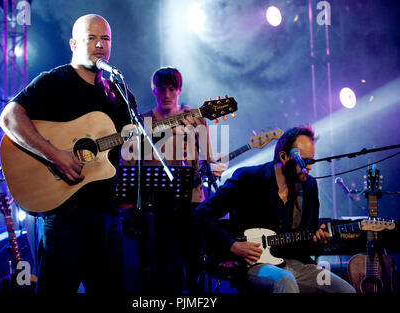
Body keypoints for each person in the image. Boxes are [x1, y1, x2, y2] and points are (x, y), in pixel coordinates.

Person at [0, 14, 137, 293]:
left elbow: (132, 146)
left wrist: (177, 125)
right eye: (92, 38)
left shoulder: (119, 93)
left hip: (108, 216)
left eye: (106, 39)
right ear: (74, 43)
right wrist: (54, 155)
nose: (100, 44)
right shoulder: (54, 81)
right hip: (64, 217)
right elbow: (9, 118)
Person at [192, 126, 356, 293]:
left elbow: (308, 241)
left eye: (311, 161)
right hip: (252, 264)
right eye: (304, 161)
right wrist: (232, 245)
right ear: (283, 157)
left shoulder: (309, 186)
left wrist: (319, 240)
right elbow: (201, 214)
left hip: (295, 264)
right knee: (284, 280)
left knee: (345, 291)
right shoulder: (248, 179)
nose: (309, 168)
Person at [120, 67, 227, 293]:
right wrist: (129, 205)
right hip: (153, 206)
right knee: (157, 266)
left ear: (179, 90)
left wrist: (216, 166)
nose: (166, 94)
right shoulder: (143, 122)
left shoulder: (195, 120)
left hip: (190, 202)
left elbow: (209, 159)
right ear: (154, 90)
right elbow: (127, 162)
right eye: (161, 89)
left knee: (195, 263)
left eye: (171, 89)